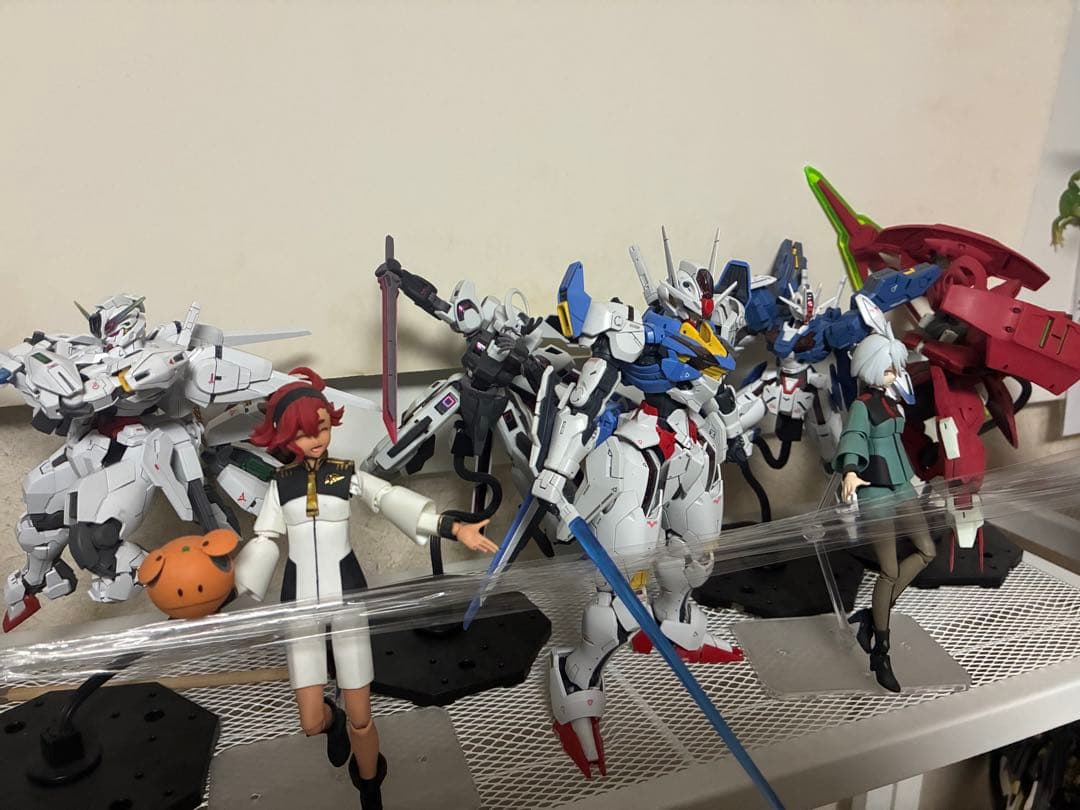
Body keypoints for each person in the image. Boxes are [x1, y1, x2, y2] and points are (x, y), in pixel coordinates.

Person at [234, 368, 496, 809]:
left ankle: (370, 785)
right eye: (303, 433)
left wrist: (452, 528)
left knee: (362, 717)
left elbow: (389, 499)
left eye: (321, 427)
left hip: (349, 601)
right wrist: (231, 581)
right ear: (284, 436)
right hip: (300, 606)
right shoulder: (280, 486)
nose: (316, 439)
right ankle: (330, 722)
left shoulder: (345, 474)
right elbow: (264, 540)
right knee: (311, 721)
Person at [836, 333, 935, 693]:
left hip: (902, 483)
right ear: (872, 368)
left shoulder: (892, 402)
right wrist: (850, 470)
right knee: (889, 570)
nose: (894, 374)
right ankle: (881, 651)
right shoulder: (862, 406)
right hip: (875, 488)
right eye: (889, 368)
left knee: (927, 550)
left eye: (896, 368)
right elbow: (853, 436)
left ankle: (871, 615)